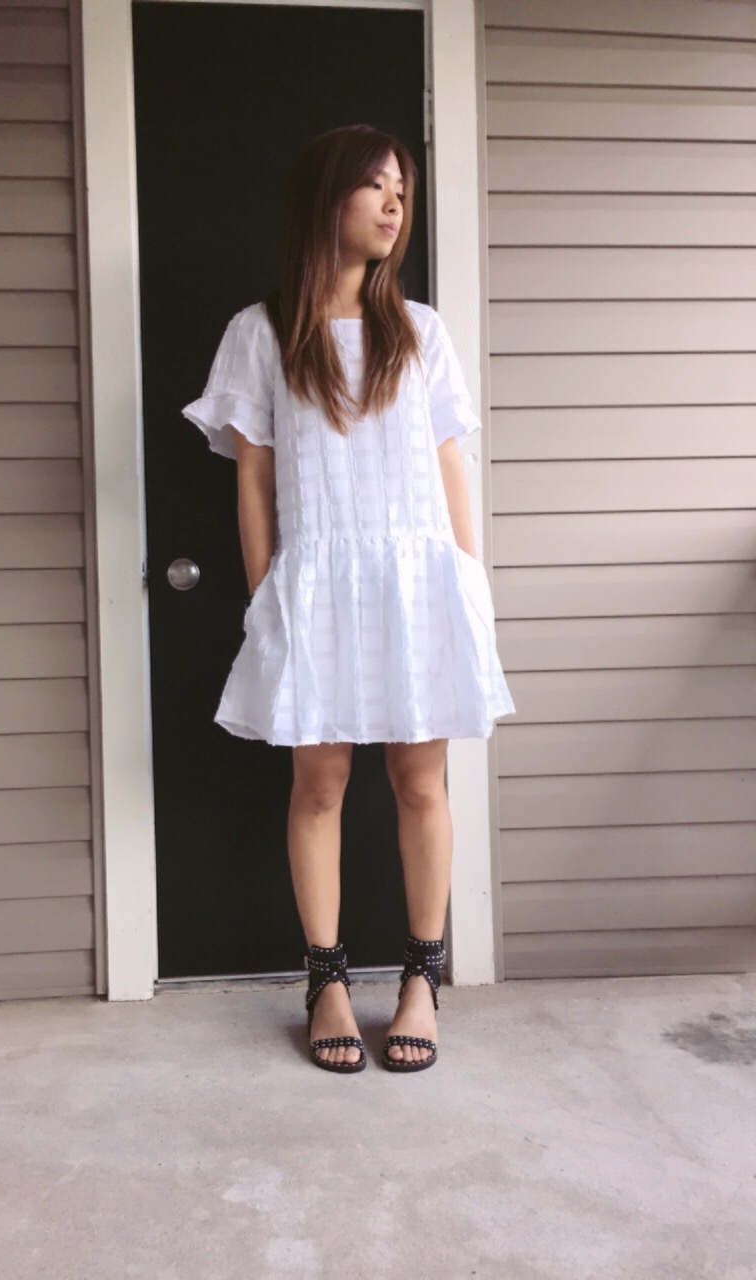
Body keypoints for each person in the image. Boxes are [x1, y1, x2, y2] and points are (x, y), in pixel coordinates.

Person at [181, 124, 516, 1075]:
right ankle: (325, 982)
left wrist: (468, 581)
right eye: (375, 185)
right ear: (325, 198)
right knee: (319, 784)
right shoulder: (262, 332)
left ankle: (421, 981)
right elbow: (254, 481)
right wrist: (268, 600)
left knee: (420, 784)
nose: (395, 202)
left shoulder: (422, 331)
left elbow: (450, 465)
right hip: (316, 584)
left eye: (401, 187)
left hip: (420, 581)